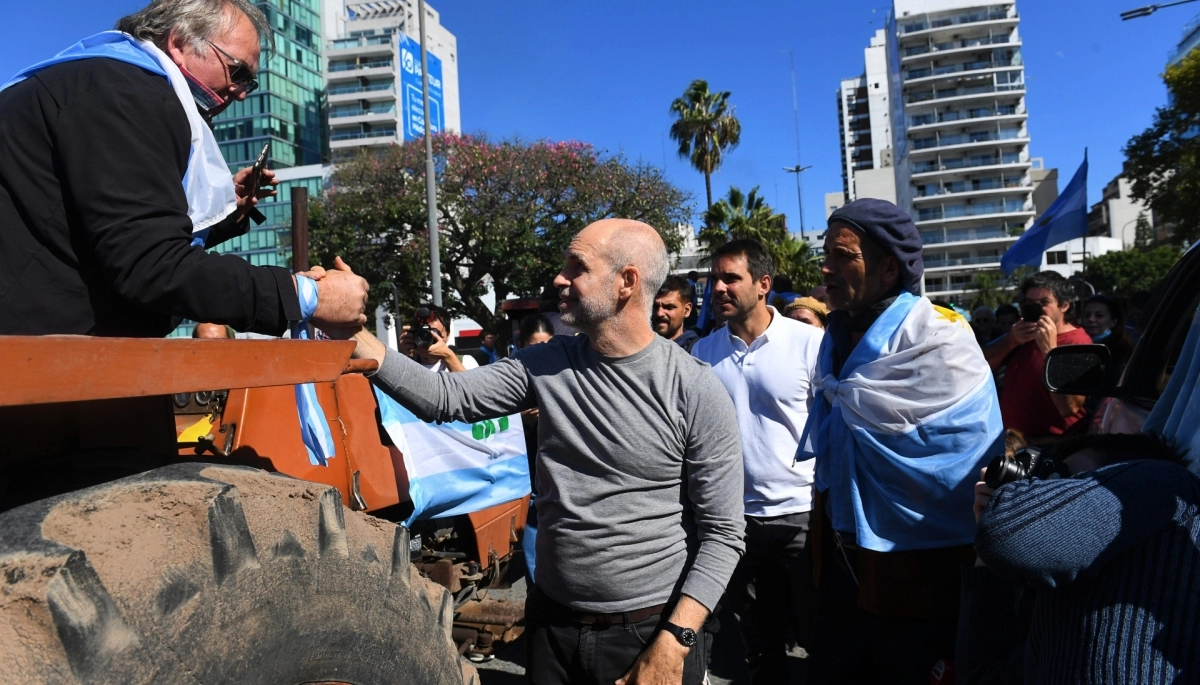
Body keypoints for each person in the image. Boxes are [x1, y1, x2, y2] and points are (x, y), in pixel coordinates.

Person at [344, 219, 745, 685]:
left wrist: (675, 643)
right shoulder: (546, 362)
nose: (560, 278)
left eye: (578, 267)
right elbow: (446, 399)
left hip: (647, 635)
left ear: (627, 282)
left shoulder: (694, 388)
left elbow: (723, 535)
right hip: (552, 631)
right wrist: (354, 329)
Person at [0, 0, 368, 337]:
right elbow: (151, 264)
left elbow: (103, 231)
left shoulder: (102, 82)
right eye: (238, 72)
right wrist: (304, 296)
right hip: (35, 375)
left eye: (250, 83)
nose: (241, 92)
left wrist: (226, 214)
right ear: (178, 43)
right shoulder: (127, 95)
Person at [797, 198, 1002, 685]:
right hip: (841, 557)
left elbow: (963, 452)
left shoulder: (940, 335)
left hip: (918, 570)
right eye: (825, 252)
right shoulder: (834, 334)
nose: (826, 266)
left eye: (844, 255)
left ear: (889, 267)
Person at [958, 432, 1197, 684]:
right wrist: (984, 555)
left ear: (1118, 478)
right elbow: (983, 676)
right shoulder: (1057, 602)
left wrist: (1005, 513)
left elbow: (1009, 535)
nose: (1043, 494)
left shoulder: (1165, 481)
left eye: (1064, 480)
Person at [690, 239, 824, 684]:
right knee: (759, 643)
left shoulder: (810, 343)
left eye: (731, 278)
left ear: (763, 284)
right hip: (735, 524)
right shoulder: (702, 355)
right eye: (715, 279)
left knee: (819, 636)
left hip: (801, 516)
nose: (719, 288)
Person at [985, 272, 1091, 441]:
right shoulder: (1022, 335)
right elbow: (980, 367)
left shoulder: (1078, 341)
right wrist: (1011, 341)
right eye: (1029, 303)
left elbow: (1069, 406)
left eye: (1044, 302)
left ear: (1064, 306)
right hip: (1014, 442)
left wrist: (1050, 350)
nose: (1036, 309)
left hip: (1052, 444)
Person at [516, 313, 556, 585]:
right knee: (533, 562)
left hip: (561, 488)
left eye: (548, 345)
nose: (542, 352)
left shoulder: (564, 376)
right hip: (529, 488)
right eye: (534, 346)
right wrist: (520, 419)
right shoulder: (509, 378)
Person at [398, 305, 477, 373]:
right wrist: (402, 358)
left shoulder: (465, 362)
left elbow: (472, 389)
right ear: (414, 335)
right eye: (424, 334)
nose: (430, 339)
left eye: (436, 334)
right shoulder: (406, 365)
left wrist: (448, 357)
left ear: (448, 335)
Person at [1081, 295, 1134, 366]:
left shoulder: (1120, 351)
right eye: (1087, 315)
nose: (1091, 319)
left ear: (1113, 322)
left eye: (1099, 315)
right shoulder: (1076, 343)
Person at [653, 275, 699, 351]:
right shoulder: (639, 349)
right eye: (655, 306)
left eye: (669, 307)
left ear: (687, 310)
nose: (659, 313)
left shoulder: (697, 352)